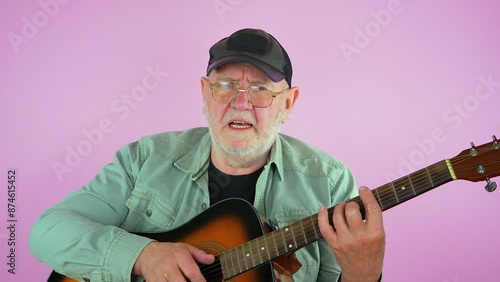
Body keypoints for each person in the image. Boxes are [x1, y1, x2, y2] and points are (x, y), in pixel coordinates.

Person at [30, 28, 385, 282]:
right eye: (226, 86)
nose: (240, 102)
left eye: (260, 90)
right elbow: (47, 231)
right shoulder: (144, 159)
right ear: (205, 93)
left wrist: (363, 273)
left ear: (287, 104)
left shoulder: (331, 181)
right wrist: (144, 255)